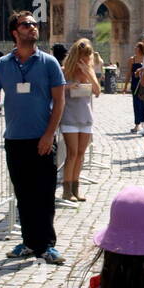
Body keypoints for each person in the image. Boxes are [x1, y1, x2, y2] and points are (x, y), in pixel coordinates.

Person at [0, 10, 66, 264]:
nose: (33, 27)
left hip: (42, 138)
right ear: (15, 32)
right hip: (15, 138)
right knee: (23, 195)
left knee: (44, 194)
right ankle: (28, 242)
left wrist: (49, 135)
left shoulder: (49, 62)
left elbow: (59, 101)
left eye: (35, 24)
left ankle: (46, 244)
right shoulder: (3, 64)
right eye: (27, 24)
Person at [60, 37, 101, 202]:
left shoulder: (89, 70)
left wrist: (89, 73)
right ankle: (66, 189)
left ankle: (76, 188)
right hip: (69, 116)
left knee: (81, 154)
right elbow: (55, 90)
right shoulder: (64, 70)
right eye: (83, 56)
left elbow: (97, 91)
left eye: (88, 56)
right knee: (72, 153)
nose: (85, 59)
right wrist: (69, 86)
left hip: (85, 116)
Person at [128, 40, 144, 130]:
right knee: (136, 104)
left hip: (143, 83)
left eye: (136, 47)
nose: (135, 48)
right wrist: (125, 86)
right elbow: (128, 73)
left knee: (143, 103)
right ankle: (137, 124)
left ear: (140, 49)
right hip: (135, 84)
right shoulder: (132, 59)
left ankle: (143, 121)